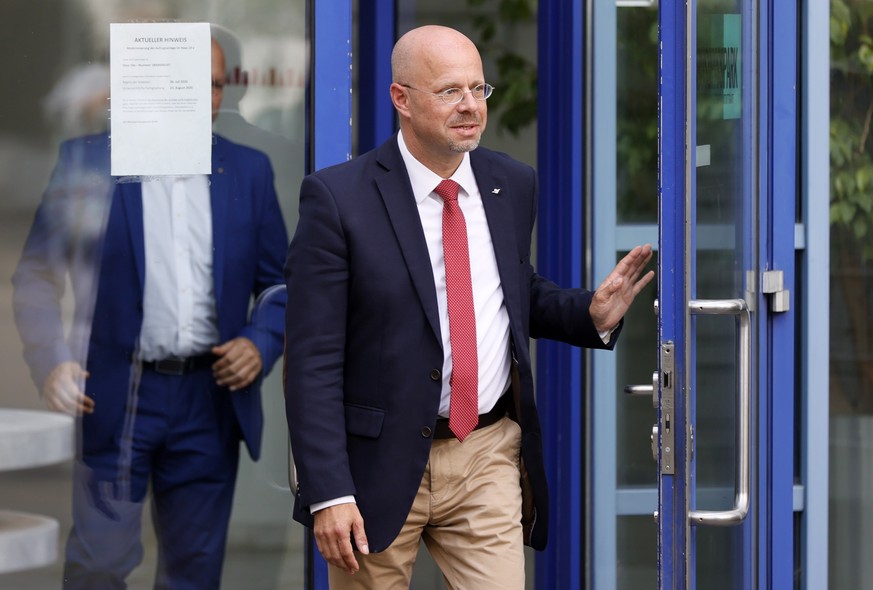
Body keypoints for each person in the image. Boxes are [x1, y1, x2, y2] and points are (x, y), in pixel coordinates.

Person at [283, 24, 654, 589]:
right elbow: (311, 360)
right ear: (401, 99)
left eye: (479, 90)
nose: (470, 107)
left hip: (484, 451)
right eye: (450, 91)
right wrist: (329, 492)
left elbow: (509, 289)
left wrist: (589, 314)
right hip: (376, 467)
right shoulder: (338, 198)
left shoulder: (511, 182)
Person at [11, 37, 288, 589]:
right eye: (194, 82)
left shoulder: (248, 171)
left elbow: (282, 283)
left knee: (194, 574)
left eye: (216, 84)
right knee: (99, 565)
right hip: (117, 391)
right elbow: (36, 276)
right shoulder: (90, 162)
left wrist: (261, 340)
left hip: (208, 402)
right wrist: (53, 361)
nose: (209, 97)